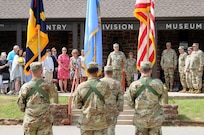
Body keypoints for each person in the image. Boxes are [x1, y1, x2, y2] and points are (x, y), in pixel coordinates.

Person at [127, 61, 166, 135]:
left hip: (140, 119)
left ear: (140, 70)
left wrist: (137, 107)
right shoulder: (158, 84)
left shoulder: (134, 85)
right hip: (155, 119)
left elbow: (129, 102)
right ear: (151, 71)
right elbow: (163, 98)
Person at [17, 62, 55, 135]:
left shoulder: (25, 87)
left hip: (30, 121)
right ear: (41, 71)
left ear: (31, 71)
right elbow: (54, 100)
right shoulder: (49, 85)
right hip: (45, 121)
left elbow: (21, 106)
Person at [73, 62, 110, 135]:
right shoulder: (105, 85)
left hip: (86, 121)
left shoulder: (81, 86)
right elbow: (107, 99)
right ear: (97, 71)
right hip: (100, 122)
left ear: (87, 71)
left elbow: (77, 105)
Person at [100, 65, 124, 135]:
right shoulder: (117, 83)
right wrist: (119, 109)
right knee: (111, 128)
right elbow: (120, 97)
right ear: (112, 73)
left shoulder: (99, 82)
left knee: (101, 128)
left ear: (104, 72)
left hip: (101, 108)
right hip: (113, 108)